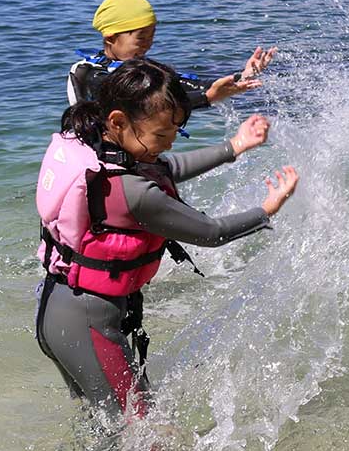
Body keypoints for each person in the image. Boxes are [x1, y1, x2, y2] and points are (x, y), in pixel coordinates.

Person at [35, 58, 300, 420]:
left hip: (59, 310)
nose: (169, 142)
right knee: (139, 435)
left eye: (174, 132)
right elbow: (211, 232)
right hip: (87, 323)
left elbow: (165, 168)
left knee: (107, 429)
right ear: (118, 120)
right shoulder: (133, 192)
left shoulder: (95, 144)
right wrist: (267, 210)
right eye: (161, 136)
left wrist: (234, 146)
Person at [68, 0, 276, 111]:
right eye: (141, 38)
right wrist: (207, 98)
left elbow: (188, 85)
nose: (148, 44)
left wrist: (242, 76)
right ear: (111, 37)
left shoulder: (146, 69)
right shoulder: (90, 74)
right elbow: (146, 106)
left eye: (152, 35)